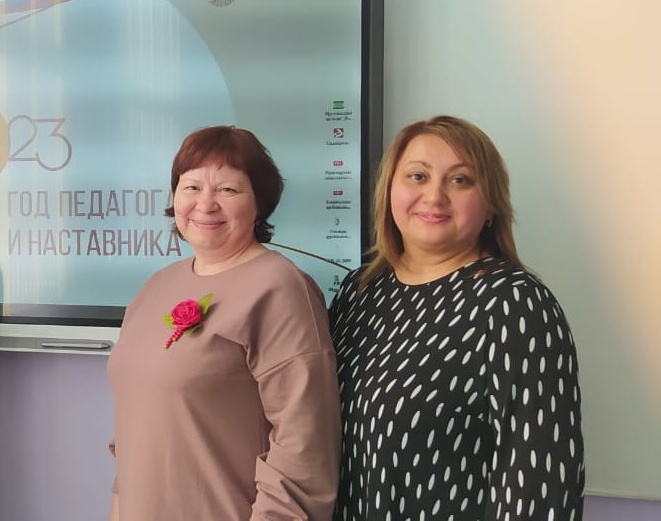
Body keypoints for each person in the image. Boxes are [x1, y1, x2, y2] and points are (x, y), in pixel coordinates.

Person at [329, 115, 584, 519]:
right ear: (389, 190)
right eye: (417, 176)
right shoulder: (358, 291)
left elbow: (540, 483)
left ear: (491, 206)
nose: (434, 196)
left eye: (460, 180)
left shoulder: (516, 304)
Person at [107, 126, 341, 520]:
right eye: (191, 187)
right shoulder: (157, 285)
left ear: (259, 202)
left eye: (228, 189)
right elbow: (134, 435)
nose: (206, 204)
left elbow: (304, 446)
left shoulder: (280, 288)